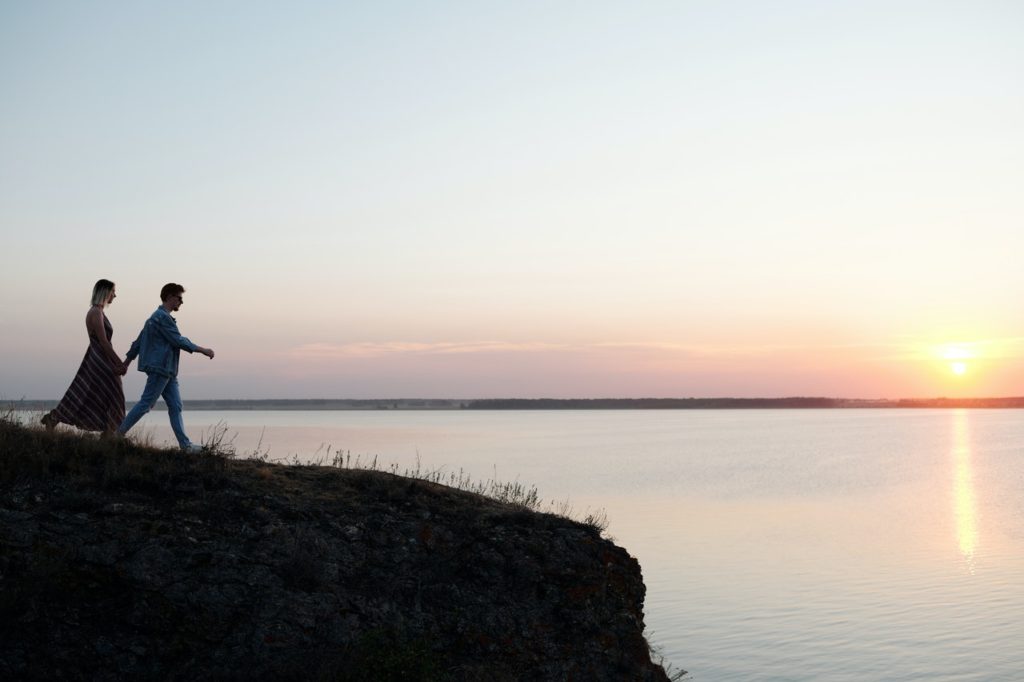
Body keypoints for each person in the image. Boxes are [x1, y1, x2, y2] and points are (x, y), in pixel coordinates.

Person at [117, 283, 214, 452]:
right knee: (146, 403)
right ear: (169, 297)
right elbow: (178, 340)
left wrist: (126, 363)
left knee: (175, 405)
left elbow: (138, 343)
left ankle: (185, 445)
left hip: (168, 371)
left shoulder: (155, 318)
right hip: (160, 368)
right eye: (179, 298)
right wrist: (203, 350)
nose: (181, 302)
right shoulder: (161, 318)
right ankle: (117, 435)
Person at [42, 279, 128, 435]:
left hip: (98, 358)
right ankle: (109, 434)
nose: (115, 295)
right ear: (105, 292)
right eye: (113, 292)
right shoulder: (95, 312)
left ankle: (55, 418)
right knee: (115, 395)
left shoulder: (99, 312)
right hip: (99, 359)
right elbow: (103, 341)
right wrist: (120, 363)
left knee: (86, 392)